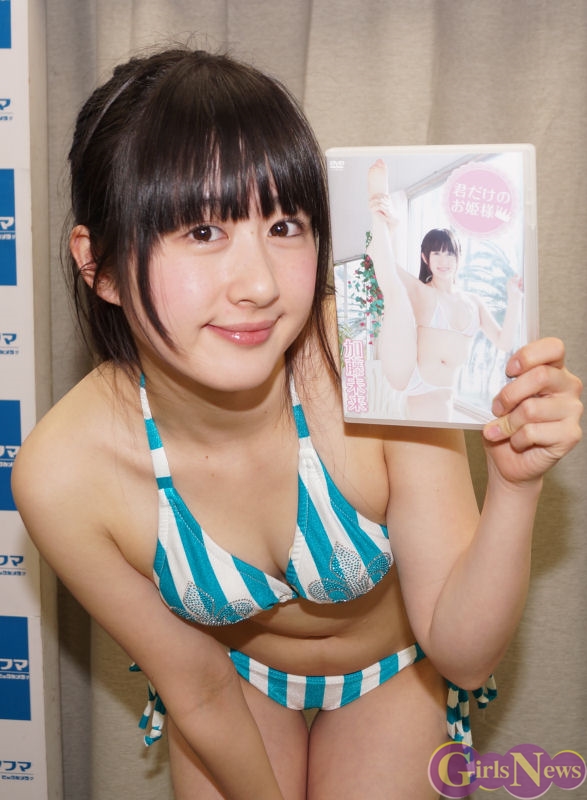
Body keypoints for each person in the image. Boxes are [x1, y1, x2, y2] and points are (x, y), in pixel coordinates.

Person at [11, 47, 583, 800]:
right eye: (201, 231)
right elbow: (197, 687)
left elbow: (464, 656)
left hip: (395, 674)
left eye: (284, 225)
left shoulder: (367, 352)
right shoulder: (64, 474)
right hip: (233, 682)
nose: (258, 285)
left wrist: (514, 487)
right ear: (101, 265)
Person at [367, 158, 524, 422]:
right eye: (436, 254)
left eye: (449, 254)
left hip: (444, 391)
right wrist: (393, 228)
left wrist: (515, 298)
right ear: (425, 258)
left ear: (458, 258)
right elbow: (383, 261)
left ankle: (381, 215)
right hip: (412, 376)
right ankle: (378, 210)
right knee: (395, 289)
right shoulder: (422, 291)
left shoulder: (473, 302)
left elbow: (503, 342)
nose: (443, 260)